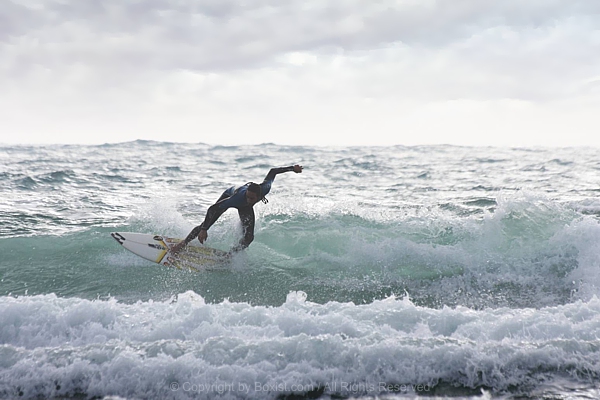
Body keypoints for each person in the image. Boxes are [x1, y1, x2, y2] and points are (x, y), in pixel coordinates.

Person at [171, 165, 303, 253]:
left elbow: (273, 171)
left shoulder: (265, 188)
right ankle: (183, 244)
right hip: (230, 194)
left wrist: (292, 168)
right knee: (207, 222)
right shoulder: (238, 198)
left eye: (252, 198)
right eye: (248, 197)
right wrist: (204, 230)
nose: (249, 200)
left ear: (258, 196)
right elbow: (212, 209)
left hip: (244, 207)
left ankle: (231, 254)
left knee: (249, 237)